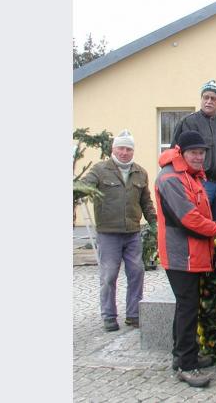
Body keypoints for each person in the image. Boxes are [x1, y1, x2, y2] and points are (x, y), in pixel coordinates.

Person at [155, 131, 216, 388]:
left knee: (186, 304)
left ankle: (182, 355)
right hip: (180, 254)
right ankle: (187, 365)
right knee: (187, 306)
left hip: (190, 253)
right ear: (181, 152)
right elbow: (188, 218)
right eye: (194, 152)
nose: (199, 157)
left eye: (202, 152)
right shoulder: (170, 178)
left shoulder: (190, 175)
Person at [79, 129, 156, 332]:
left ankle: (133, 314)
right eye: (121, 148)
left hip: (132, 232)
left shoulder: (140, 172)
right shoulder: (100, 169)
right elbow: (85, 186)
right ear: (113, 149)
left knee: (137, 272)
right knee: (109, 275)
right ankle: (109, 315)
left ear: (133, 151)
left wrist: (154, 222)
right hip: (108, 233)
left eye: (128, 149)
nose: (124, 152)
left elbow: (146, 201)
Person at [171, 79, 216, 222]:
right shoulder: (188, 123)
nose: (209, 101)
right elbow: (174, 153)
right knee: (199, 224)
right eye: (206, 97)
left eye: (213, 98)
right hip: (199, 184)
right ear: (201, 99)